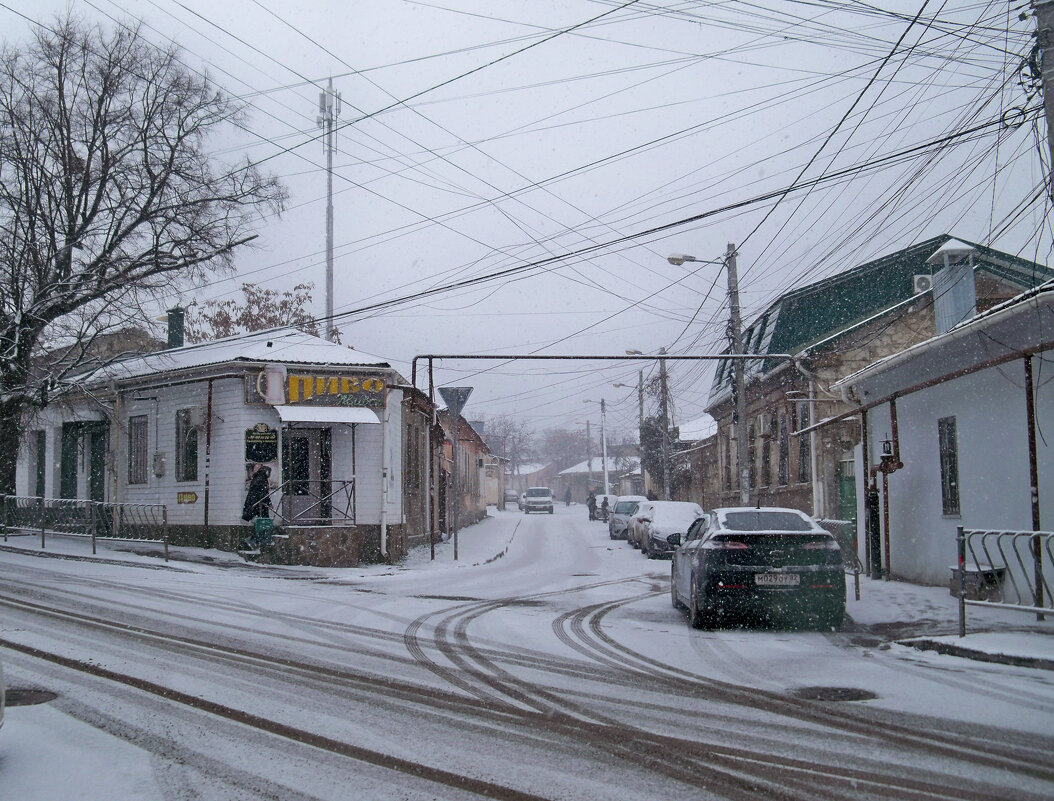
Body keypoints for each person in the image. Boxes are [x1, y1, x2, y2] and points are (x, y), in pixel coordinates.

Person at [241, 464, 272, 548]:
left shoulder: (256, 478)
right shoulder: (262, 479)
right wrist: (268, 503)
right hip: (259, 504)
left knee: (258, 522)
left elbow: (260, 492)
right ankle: (258, 540)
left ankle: (255, 539)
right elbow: (264, 493)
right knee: (262, 522)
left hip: (253, 503)